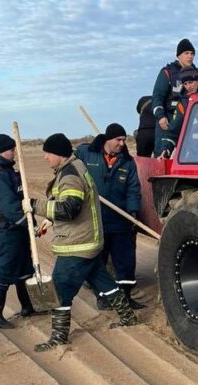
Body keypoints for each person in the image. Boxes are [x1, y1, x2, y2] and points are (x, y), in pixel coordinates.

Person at [23, 134, 138, 352]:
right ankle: (128, 316)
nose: (45, 158)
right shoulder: (74, 167)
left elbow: (69, 209)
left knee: (60, 290)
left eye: (48, 153)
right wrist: (48, 219)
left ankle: (59, 337)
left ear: (58, 154)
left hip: (76, 246)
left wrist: (34, 205)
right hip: (89, 242)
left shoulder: (70, 175)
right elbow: (67, 203)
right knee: (103, 281)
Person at [76, 123, 145, 311]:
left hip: (121, 220)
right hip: (96, 219)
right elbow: (71, 165)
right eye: (118, 140)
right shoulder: (88, 155)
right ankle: (103, 297)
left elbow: (133, 189)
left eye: (124, 140)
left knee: (125, 261)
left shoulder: (127, 162)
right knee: (99, 261)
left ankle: (126, 297)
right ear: (108, 139)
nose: (122, 143)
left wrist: (133, 212)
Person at [0, 134, 39, 329]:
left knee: (24, 266)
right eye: (13, 150)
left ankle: (28, 306)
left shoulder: (7, 170)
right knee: (5, 268)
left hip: (16, 228)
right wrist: (28, 224)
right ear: (4, 151)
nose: (15, 154)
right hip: (5, 229)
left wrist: (30, 222)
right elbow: (10, 206)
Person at [152, 38, 198, 156]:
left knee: (193, 155)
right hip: (168, 119)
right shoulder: (167, 72)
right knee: (162, 154)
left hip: (191, 120)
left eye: (192, 54)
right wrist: (161, 117)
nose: (190, 56)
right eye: (186, 53)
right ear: (178, 56)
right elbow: (157, 97)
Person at [159, 66, 198, 157]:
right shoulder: (184, 103)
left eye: (191, 82)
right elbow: (173, 130)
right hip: (196, 149)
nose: (188, 87)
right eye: (185, 84)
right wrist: (166, 149)